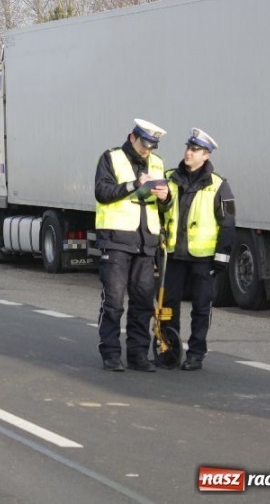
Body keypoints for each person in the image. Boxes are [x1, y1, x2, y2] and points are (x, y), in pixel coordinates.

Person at [95, 119, 171, 372]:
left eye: (151, 146)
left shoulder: (157, 163)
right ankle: (111, 354)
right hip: (116, 239)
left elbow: (163, 205)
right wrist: (134, 185)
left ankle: (138, 355)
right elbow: (102, 192)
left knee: (142, 303)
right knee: (114, 302)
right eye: (143, 144)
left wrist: (165, 197)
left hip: (145, 242)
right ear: (132, 138)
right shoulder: (111, 158)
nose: (146, 150)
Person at [158, 128, 236, 371]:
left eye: (195, 150)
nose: (188, 152)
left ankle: (196, 354)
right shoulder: (169, 177)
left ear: (206, 156)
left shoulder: (218, 185)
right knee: (168, 307)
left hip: (203, 258)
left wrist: (221, 259)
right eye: (188, 148)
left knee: (201, 308)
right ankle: (167, 350)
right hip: (174, 255)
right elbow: (157, 212)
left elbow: (228, 224)